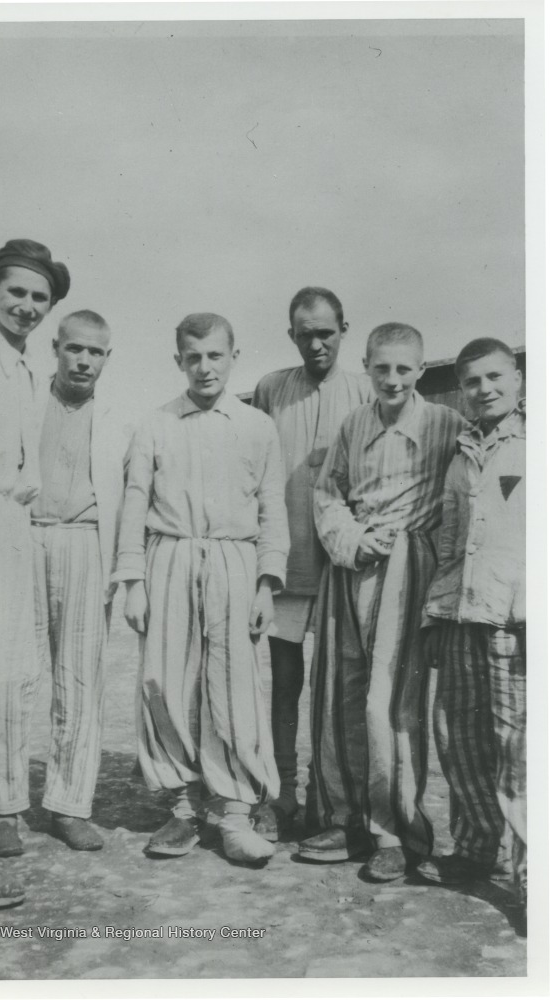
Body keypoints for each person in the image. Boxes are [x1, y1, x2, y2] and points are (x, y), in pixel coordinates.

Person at [114, 313, 289, 864]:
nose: (205, 367)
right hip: (170, 556)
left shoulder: (257, 425)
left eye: (216, 355)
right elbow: (134, 504)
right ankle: (185, 807)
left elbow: (271, 507)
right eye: (194, 357)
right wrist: (134, 582)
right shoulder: (156, 424)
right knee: (165, 680)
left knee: (234, 685)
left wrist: (267, 583)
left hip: (236, 562)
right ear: (179, 361)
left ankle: (235, 811)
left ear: (234, 356)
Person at [301, 322, 465, 878]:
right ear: (367, 367)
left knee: (388, 703)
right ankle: (342, 818)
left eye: (404, 369)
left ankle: (395, 832)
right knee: (338, 694)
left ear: (420, 370)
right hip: (351, 568)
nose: (392, 379)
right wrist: (351, 540)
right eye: (381, 368)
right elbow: (327, 493)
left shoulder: (447, 425)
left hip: (409, 569)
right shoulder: (353, 423)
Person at [251, 287, 370, 838]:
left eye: (326, 331)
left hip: (344, 571)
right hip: (287, 565)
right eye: (305, 332)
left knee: (341, 689)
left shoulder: (367, 392)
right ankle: (281, 797)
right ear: (291, 333)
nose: (316, 342)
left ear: (344, 328)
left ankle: (336, 804)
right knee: (283, 685)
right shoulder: (272, 389)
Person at [416, 339, 526, 922]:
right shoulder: (461, 454)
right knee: (461, 741)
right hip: (461, 616)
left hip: (515, 623)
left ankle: (534, 881)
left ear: (518, 379)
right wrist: (435, 612)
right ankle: (478, 849)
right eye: (473, 382)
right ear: (461, 390)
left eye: (495, 377)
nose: (485, 389)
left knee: (521, 754)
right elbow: (450, 542)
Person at [0, 238, 70, 901]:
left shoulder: (26, 367)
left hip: (5, 529)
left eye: (39, 297)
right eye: (17, 292)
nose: (27, 306)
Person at [25, 310, 128, 852]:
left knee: (80, 680)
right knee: (15, 677)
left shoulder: (116, 417)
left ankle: (68, 805)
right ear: (56, 349)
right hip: (26, 538)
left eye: (96, 352)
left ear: (107, 358)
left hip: (87, 543)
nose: (84, 360)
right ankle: (5, 806)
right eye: (75, 349)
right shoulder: (24, 402)